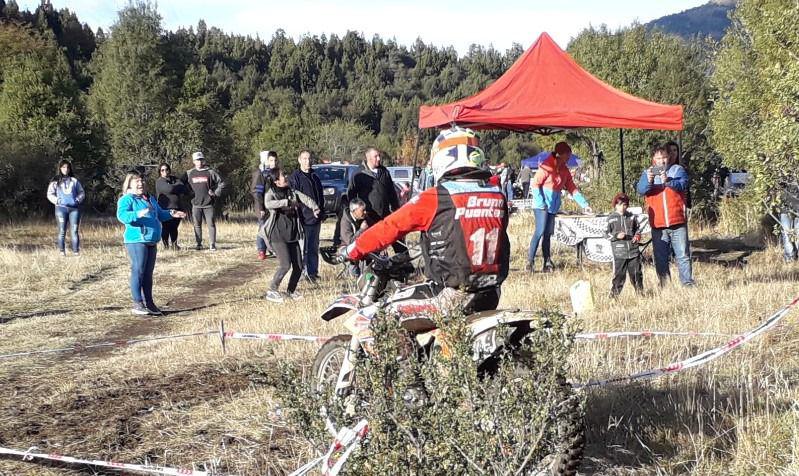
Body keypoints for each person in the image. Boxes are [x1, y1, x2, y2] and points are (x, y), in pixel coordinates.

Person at [341, 126, 510, 332]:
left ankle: (406, 363)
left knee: (386, 311)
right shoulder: (497, 194)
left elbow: (389, 227)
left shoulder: (437, 197)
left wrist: (353, 249)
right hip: (491, 291)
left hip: (453, 291)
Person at [117, 172, 187, 315]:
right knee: (138, 270)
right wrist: (137, 214)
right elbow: (122, 216)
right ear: (129, 184)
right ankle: (137, 303)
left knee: (148, 274)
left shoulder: (150, 198)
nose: (140, 184)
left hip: (152, 240)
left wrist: (172, 213)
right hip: (137, 240)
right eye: (137, 181)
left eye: (142, 181)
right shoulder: (126, 199)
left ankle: (149, 303)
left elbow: (159, 214)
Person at [526, 142, 593, 273]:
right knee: (539, 232)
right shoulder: (546, 166)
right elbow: (535, 184)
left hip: (553, 207)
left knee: (547, 234)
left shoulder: (565, 170)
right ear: (560, 154)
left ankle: (547, 262)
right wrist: (542, 204)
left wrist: (585, 205)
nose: (569, 158)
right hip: (541, 207)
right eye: (567, 156)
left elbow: (572, 188)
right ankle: (530, 262)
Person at [259, 167, 321, 303]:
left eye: (285, 174)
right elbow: (268, 204)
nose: (286, 177)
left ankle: (290, 291)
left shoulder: (292, 191)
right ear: (276, 181)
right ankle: (272, 290)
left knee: (298, 266)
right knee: (285, 265)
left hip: (292, 234)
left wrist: (315, 208)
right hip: (277, 235)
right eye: (283, 176)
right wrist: (286, 202)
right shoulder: (271, 193)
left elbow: (306, 199)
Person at [636, 144, 695, 287]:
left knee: (683, 255)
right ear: (653, 160)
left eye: (664, 157)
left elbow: (683, 185)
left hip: (677, 221)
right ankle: (665, 285)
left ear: (668, 158)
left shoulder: (677, 170)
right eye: (658, 158)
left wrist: (668, 181)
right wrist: (649, 180)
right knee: (661, 258)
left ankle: (687, 283)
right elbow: (641, 190)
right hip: (658, 224)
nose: (661, 161)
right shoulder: (647, 173)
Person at [289, 149, 324, 283]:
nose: (307, 161)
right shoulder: (295, 177)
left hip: (316, 218)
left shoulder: (315, 176)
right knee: (304, 249)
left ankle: (313, 273)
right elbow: (295, 198)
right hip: (303, 218)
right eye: (304, 159)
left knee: (314, 248)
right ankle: (303, 274)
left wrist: (322, 211)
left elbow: (320, 195)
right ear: (299, 160)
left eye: (309, 159)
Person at [183, 151, 225, 251]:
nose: (200, 162)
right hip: (196, 204)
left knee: (211, 224)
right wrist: (188, 192)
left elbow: (221, 183)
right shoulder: (189, 173)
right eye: (197, 160)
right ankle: (198, 244)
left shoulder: (210, 172)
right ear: (194, 161)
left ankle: (212, 245)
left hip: (208, 204)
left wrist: (215, 193)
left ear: (204, 160)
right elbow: (180, 183)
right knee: (197, 225)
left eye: (201, 159)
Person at [606, 193, 643, 297]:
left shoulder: (632, 217)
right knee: (619, 276)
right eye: (620, 205)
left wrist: (637, 236)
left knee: (636, 274)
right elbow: (605, 233)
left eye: (625, 205)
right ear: (615, 205)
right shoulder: (611, 218)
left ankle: (640, 294)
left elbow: (638, 230)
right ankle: (614, 296)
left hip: (633, 251)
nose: (622, 207)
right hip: (619, 252)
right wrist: (616, 235)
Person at [46, 160, 85, 256]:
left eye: (67, 167)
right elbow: (49, 194)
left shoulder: (74, 181)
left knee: (74, 230)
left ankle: (76, 252)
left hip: (74, 209)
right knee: (62, 230)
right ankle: (62, 251)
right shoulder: (55, 181)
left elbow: (82, 192)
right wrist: (57, 201)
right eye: (63, 167)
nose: (66, 169)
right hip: (61, 209)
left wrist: (77, 200)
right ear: (60, 168)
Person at [155, 163, 189, 250]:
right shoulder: (159, 181)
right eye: (162, 170)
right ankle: (166, 246)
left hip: (177, 207)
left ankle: (174, 245)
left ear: (169, 170)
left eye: (166, 169)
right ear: (160, 172)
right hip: (165, 208)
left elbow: (184, 189)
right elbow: (169, 189)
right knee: (166, 228)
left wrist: (176, 187)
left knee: (174, 227)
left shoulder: (175, 179)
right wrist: (177, 187)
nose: (165, 171)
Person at [252, 150, 278, 260]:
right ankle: (261, 250)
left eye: (275, 160)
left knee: (273, 228)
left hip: (273, 205)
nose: (273, 162)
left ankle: (274, 249)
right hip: (263, 206)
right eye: (271, 160)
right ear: (265, 160)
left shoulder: (276, 172)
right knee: (262, 228)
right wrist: (261, 208)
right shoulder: (260, 174)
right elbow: (257, 192)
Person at [339, 198, 369, 277]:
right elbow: (350, 242)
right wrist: (361, 230)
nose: (365, 212)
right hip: (346, 247)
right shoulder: (345, 222)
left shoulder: (364, 217)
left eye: (365, 210)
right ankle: (353, 272)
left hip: (362, 245)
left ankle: (367, 273)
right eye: (362, 210)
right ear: (354, 211)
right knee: (355, 276)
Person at [778, 180, 799, 262]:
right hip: (785, 210)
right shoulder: (780, 173)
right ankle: (789, 257)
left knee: (798, 234)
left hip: (797, 209)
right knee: (786, 234)